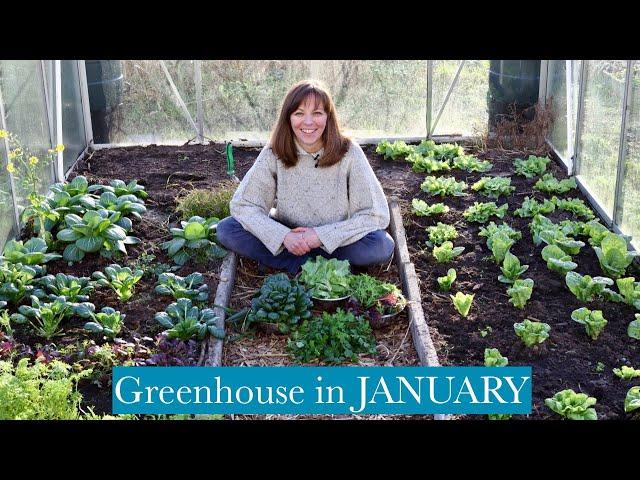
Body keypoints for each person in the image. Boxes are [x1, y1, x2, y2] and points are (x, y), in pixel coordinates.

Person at [216, 79, 394, 274]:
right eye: (299, 113)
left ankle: (294, 264)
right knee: (228, 229)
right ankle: (321, 267)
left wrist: (320, 236)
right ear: (288, 118)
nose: (308, 122)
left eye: (317, 113)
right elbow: (243, 205)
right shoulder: (274, 152)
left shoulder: (349, 152)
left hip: (335, 241)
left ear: (328, 117)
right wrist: (283, 236)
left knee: (381, 245)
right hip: (288, 236)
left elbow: (376, 214)